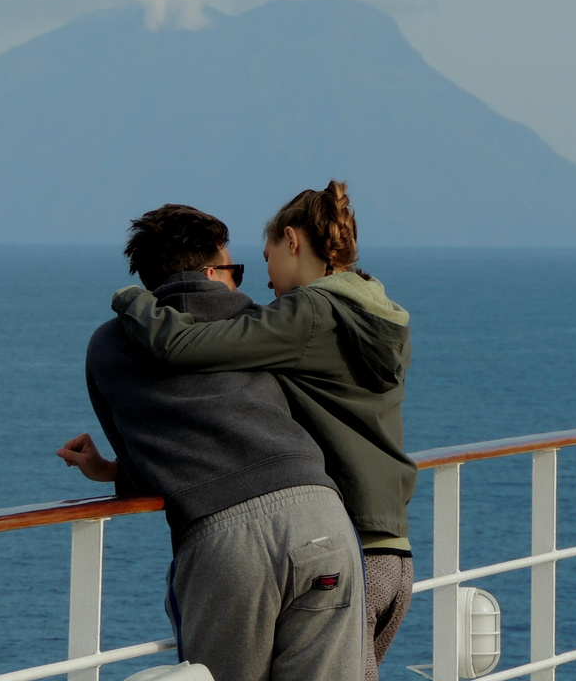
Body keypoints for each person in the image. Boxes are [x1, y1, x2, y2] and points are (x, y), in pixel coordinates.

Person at [114, 182, 416, 681]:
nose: (266, 282)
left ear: (293, 242)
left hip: (352, 542)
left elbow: (187, 347)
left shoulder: (310, 315)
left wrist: (134, 301)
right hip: (394, 550)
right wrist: (115, 470)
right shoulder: (374, 312)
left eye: (267, 257)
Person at [58, 203, 365, 681]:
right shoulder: (258, 324)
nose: (240, 283)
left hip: (227, 541)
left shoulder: (109, 346)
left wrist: (109, 471)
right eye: (234, 270)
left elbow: (148, 463)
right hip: (321, 513)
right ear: (209, 270)